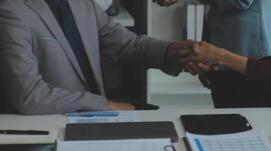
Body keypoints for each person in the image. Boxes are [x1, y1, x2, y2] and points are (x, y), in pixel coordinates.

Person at [0, 0, 195, 114]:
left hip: (95, 119)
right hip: (54, 124)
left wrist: (177, 52)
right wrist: (104, 105)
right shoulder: (11, 11)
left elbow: (129, 45)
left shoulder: (83, 4)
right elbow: (29, 95)